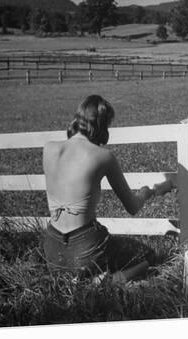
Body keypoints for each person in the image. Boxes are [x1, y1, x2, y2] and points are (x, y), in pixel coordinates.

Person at [42, 94, 173, 284]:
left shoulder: (49, 148)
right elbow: (133, 207)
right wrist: (145, 193)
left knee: (72, 264)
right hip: (85, 247)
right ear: (101, 124)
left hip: (52, 248)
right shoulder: (104, 156)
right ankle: (111, 281)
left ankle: (79, 278)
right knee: (149, 255)